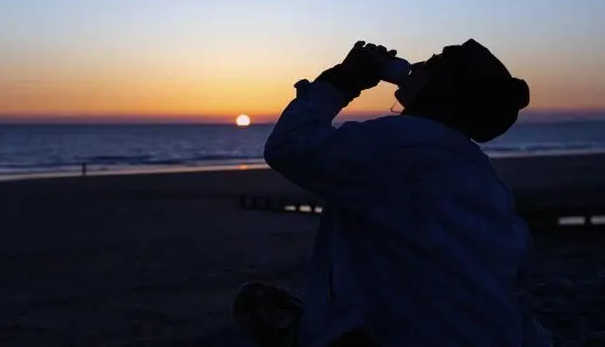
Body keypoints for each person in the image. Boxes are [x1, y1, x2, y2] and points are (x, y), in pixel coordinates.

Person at [234, 40, 552, 347]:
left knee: (255, 302)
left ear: (442, 90)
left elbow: (289, 147)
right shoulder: (480, 175)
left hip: (402, 336)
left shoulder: (401, 143)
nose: (415, 65)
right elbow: (516, 262)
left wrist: (342, 81)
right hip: (483, 334)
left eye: (430, 64)